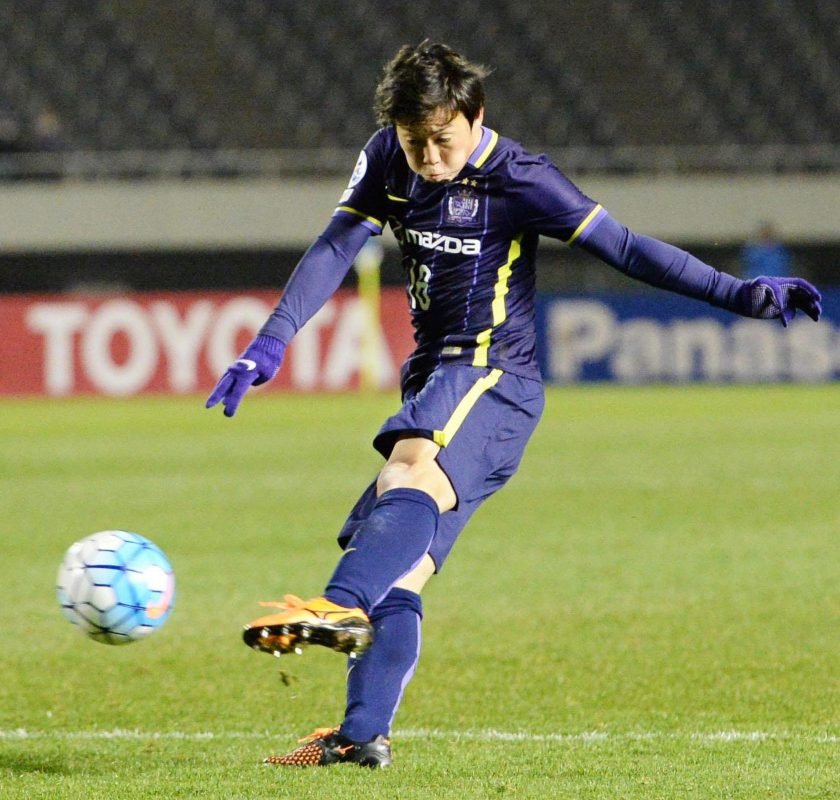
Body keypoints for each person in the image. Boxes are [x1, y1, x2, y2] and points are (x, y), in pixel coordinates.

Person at [206, 41, 822, 768]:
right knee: (398, 566)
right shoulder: (387, 158)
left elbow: (625, 248)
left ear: (476, 116)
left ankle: (340, 603)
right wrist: (270, 341)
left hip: (493, 375)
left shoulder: (520, 177)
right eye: (414, 141)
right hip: (436, 377)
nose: (428, 158)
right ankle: (361, 736)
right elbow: (336, 246)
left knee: (408, 473)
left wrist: (740, 293)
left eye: (441, 139)